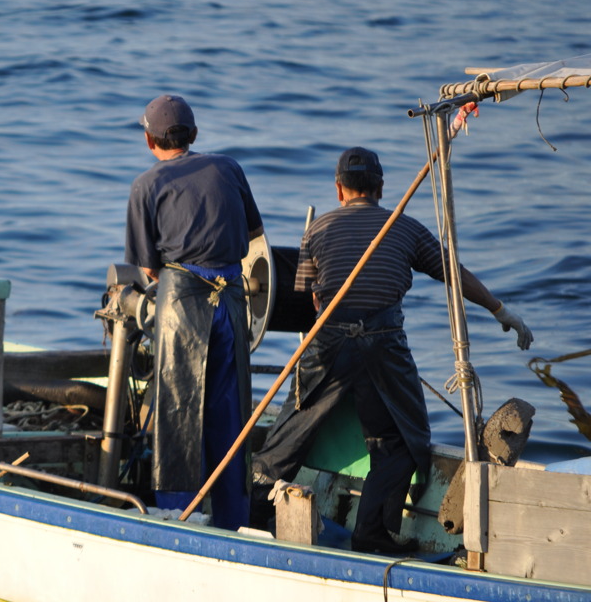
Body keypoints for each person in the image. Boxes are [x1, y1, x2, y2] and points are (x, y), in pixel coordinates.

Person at [250, 146, 533, 552]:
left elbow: (310, 300)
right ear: (380, 188)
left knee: (292, 431)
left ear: (338, 189)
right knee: (401, 440)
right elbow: (453, 273)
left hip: (328, 342)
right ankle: (372, 533)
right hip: (384, 345)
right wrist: (500, 309)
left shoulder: (317, 230)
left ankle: (254, 509)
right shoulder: (404, 228)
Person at [125, 94, 265, 530]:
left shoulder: (146, 185)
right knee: (230, 412)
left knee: (178, 410)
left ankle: (178, 514)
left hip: (183, 304)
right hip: (233, 301)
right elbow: (255, 234)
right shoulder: (228, 168)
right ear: (195, 135)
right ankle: (231, 518)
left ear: (149, 140)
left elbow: (148, 267)